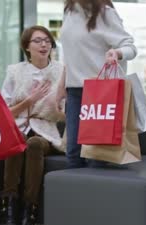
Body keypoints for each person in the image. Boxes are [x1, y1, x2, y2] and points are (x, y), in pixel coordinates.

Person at [0, 25, 65, 225]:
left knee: (33, 144)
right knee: (16, 142)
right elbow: (4, 112)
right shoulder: (14, 71)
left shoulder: (61, 71)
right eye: (37, 41)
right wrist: (29, 101)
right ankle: (8, 209)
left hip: (45, 130)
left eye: (47, 40)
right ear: (27, 47)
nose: (44, 44)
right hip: (18, 127)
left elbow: (67, 113)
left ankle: (29, 210)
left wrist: (59, 109)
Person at [56, 0, 137, 168]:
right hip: (75, 91)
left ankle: (96, 193)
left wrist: (117, 52)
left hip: (101, 93)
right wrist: (62, 86)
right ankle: (75, 194)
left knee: (97, 155)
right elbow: (71, 55)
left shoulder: (105, 12)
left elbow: (130, 47)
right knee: (73, 152)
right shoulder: (69, 11)